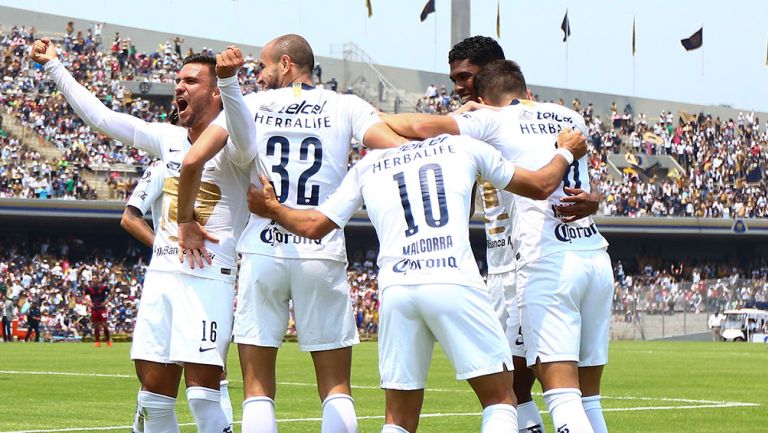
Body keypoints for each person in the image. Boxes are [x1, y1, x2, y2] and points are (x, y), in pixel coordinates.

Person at [247, 127, 587, 433]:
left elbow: (313, 226)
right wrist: (566, 151)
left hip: (397, 289)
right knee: (500, 399)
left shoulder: (370, 164)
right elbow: (541, 185)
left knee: (398, 420)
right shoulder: (461, 146)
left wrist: (274, 209)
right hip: (453, 278)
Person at [177, 36, 405, 433]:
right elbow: (395, 148)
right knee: (336, 387)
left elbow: (194, 158)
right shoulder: (345, 105)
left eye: (264, 67)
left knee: (257, 388)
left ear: (285, 64)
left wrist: (185, 220)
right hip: (320, 248)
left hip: (263, 250)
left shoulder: (249, 104)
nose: (260, 77)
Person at [31, 37, 249, 433]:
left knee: (203, 396)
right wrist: (54, 66)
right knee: (153, 397)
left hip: (208, 278)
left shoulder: (237, 139)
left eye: (191, 81)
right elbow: (102, 118)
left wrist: (232, 82)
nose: (179, 87)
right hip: (161, 276)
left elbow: (243, 130)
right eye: (178, 80)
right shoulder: (166, 139)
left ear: (216, 93)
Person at [384, 59, 614, 433]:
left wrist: (360, 115)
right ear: (525, 91)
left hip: (544, 262)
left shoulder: (492, 120)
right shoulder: (570, 116)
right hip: (593, 255)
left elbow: (419, 126)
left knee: (560, 394)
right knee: (585, 396)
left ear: (486, 97)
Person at [444, 35, 546, 433]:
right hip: (498, 268)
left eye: (464, 76)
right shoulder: (473, 126)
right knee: (504, 382)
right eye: (453, 78)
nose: (457, 86)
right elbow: (465, 203)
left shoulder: (523, 118)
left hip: (530, 264)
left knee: (532, 379)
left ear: (489, 72)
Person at [121, 160, 235, 431]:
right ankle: (145, 413)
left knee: (214, 371)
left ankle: (147, 414)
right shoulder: (163, 166)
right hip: (172, 275)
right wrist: (167, 246)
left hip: (208, 276)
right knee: (158, 379)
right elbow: (130, 217)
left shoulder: (222, 165)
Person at [84, 275, 112, 348]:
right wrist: (89, 303)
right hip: (94, 308)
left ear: (98, 279)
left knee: (104, 325)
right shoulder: (89, 289)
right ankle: (97, 342)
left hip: (102, 307)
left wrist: (106, 302)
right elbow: (84, 296)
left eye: (95, 278)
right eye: (93, 278)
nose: (94, 280)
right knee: (96, 326)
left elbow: (112, 294)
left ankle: (108, 341)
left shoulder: (103, 287)